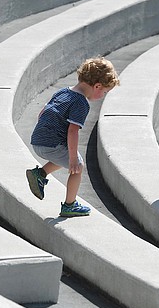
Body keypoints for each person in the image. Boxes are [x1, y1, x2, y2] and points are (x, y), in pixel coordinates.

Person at [26, 57, 120, 217]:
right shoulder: (81, 103)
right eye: (104, 92)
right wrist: (73, 159)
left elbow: (43, 112)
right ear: (97, 86)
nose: (102, 96)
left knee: (67, 158)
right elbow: (72, 132)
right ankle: (69, 205)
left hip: (37, 139)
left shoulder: (64, 91)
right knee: (77, 166)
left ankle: (40, 174)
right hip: (50, 143)